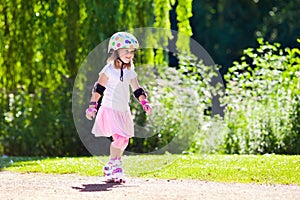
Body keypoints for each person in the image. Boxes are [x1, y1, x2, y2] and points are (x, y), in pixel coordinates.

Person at [85, 32, 152, 183]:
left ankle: (110, 165)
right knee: (119, 138)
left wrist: (144, 102)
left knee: (124, 140)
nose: (130, 54)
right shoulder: (108, 70)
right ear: (116, 52)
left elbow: (137, 89)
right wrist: (92, 106)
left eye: (132, 51)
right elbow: (98, 89)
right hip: (109, 109)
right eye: (126, 51)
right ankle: (116, 166)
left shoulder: (130, 71)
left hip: (123, 110)